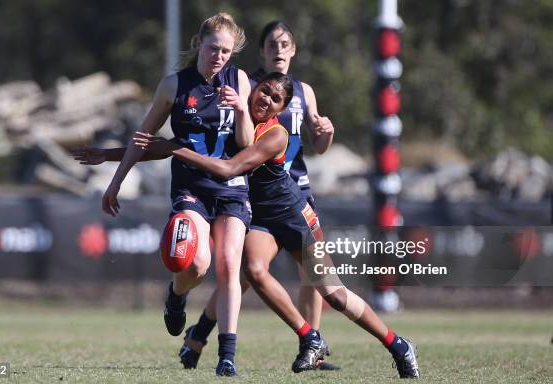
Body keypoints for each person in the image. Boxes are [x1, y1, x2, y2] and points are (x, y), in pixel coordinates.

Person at [133, 72, 420, 378]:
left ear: (281, 109)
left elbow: (228, 168)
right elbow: (179, 144)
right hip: (259, 218)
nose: (266, 100)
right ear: (253, 89)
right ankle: (310, 336)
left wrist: (174, 150)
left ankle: (398, 345)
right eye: (264, 91)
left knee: (333, 294)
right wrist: (110, 156)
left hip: (291, 214)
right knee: (253, 270)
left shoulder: (276, 134)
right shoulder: (234, 119)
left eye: (275, 99)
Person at [176, 20, 339, 372]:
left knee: (313, 272)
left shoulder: (304, 91)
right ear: (262, 51)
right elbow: (238, 139)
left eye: (285, 44)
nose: (279, 49)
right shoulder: (249, 86)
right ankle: (201, 333)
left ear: (293, 50)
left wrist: (326, 132)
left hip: (299, 192)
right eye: (272, 44)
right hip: (258, 193)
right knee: (246, 273)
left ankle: (313, 348)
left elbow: (319, 144)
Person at [99, 12, 253, 377]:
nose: (219, 56)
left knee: (230, 265)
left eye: (226, 51)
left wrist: (242, 109)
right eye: (213, 48)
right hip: (191, 188)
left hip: (232, 187)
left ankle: (226, 355)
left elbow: (247, 144)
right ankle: (176, 295)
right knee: (196, 264)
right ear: (199, 44)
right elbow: (142, 140)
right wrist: (115, 181)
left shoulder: (239, 80)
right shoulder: (174, 85)